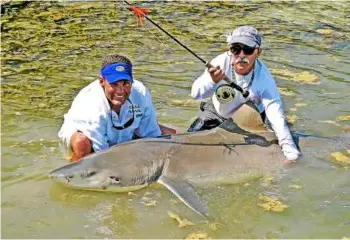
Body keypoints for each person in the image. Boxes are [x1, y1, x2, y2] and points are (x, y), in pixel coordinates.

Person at [188, 26, 300, 164]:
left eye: (247, 50)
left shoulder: (264, 79)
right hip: (217, 113)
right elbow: (195, 94)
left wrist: (290, 152)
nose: (241, 55)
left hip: (250, 119)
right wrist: (212, 81)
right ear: (229, 49)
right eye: (235, 49)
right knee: (187, 142)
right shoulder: (219, 63)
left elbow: (275, 113)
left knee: (267, 150)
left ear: (258, 52)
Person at [58, 54, 176, 162]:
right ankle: (75, 173)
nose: (120, 91)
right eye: (114, 84)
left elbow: (152, 135)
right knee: (81, 143)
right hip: (91, 140)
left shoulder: (141, 93)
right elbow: (100, 154)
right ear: (101, 81)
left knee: (174, 136)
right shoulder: (92, 106)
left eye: (126, 83)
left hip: (125, 132)